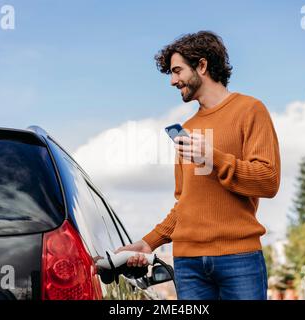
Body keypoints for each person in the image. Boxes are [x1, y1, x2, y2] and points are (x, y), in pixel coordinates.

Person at [115, 31, 281, 300]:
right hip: (188, 265)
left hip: (238, 259)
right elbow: (185, 203)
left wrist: (214, 158)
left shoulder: (250, 110)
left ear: (201, 66)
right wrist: (148, 243)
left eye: (177, 71)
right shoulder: (188, 130)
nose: (172, 81)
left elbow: (268, 180)